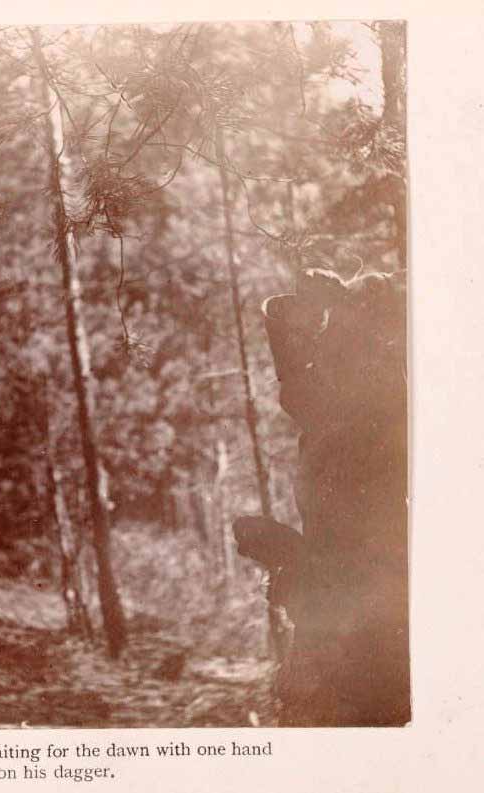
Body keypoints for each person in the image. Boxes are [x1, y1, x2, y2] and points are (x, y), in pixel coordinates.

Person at [235, 267, 409, 726]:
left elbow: (360, 568)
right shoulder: (328, 421)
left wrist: (288, 557)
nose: (306, 370)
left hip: (366, 659)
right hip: (340, 642)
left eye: (328, 353)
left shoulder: (375, 427)